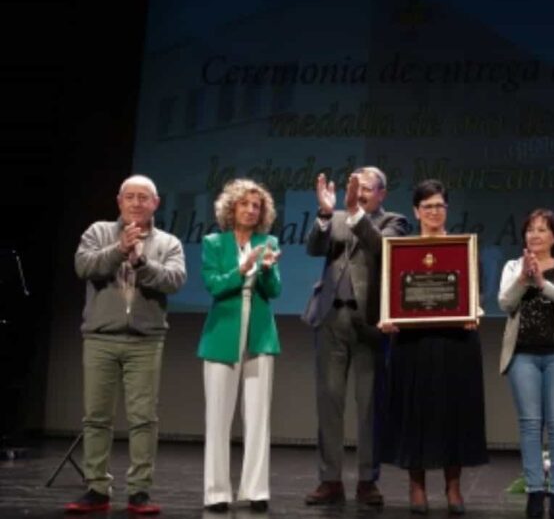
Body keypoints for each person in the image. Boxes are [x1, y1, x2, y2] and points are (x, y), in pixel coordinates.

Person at [66, 175, 187, 514]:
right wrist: (119, 250)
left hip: (145, 340)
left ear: (155, 204)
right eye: (130, 197)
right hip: (100, 337)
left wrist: (140, 262)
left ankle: (139, 491)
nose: (136, 203)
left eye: (143, 198)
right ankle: (96, 488)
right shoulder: (98, 232)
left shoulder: (169, 242)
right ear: (119, 201)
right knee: (96, 417)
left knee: (143, 418)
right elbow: (83, 266)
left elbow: (174, 280)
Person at [302, 166, 411, 506]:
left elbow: (384, 250)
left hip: (370, 322)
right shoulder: (335, 217)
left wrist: (353, 212)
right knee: (329, 403)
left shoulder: (394, 221)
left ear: (381, 193)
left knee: (369, 407)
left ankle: (367, 480)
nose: (359, 193)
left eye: (365, 188)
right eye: (355, 188)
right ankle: (330, 479)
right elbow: (314, 247)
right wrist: (323, 212)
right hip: (332, 317)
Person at [379, 179, 488, 516]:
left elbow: (475, 294)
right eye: (427, 207)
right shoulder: (400, 251)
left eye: (440, 206)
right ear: (416, 211)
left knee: (454, 413)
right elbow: (390, 294)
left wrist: (475, 312)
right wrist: (387, 316)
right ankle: (417, 486)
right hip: (413, 343)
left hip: (456, 341)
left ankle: (453, 486)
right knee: (416, 413)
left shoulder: (463, 248)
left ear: (447, 210)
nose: (434, 212)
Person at [197, 179, 282, 513]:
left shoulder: (268, 241)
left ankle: (256, 489)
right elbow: (214, 286)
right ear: (231, 208)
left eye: (256, 205)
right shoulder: (214, 242)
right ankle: (217, 492)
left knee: (259, 416)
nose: (250, 210)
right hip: (222, 333)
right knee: (218, 417)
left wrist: (267, 271)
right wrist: (241, 269)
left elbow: (273, 291)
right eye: (244, 204)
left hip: (260, 334)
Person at [498, 209, 554, 519]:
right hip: (523, 355)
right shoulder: (512, 266)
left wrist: (542, 283)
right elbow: (505, 303)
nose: (534, 235)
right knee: (530, 425)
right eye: (530, 229)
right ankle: (535, 493)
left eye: (542, 230)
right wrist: (524, 278)